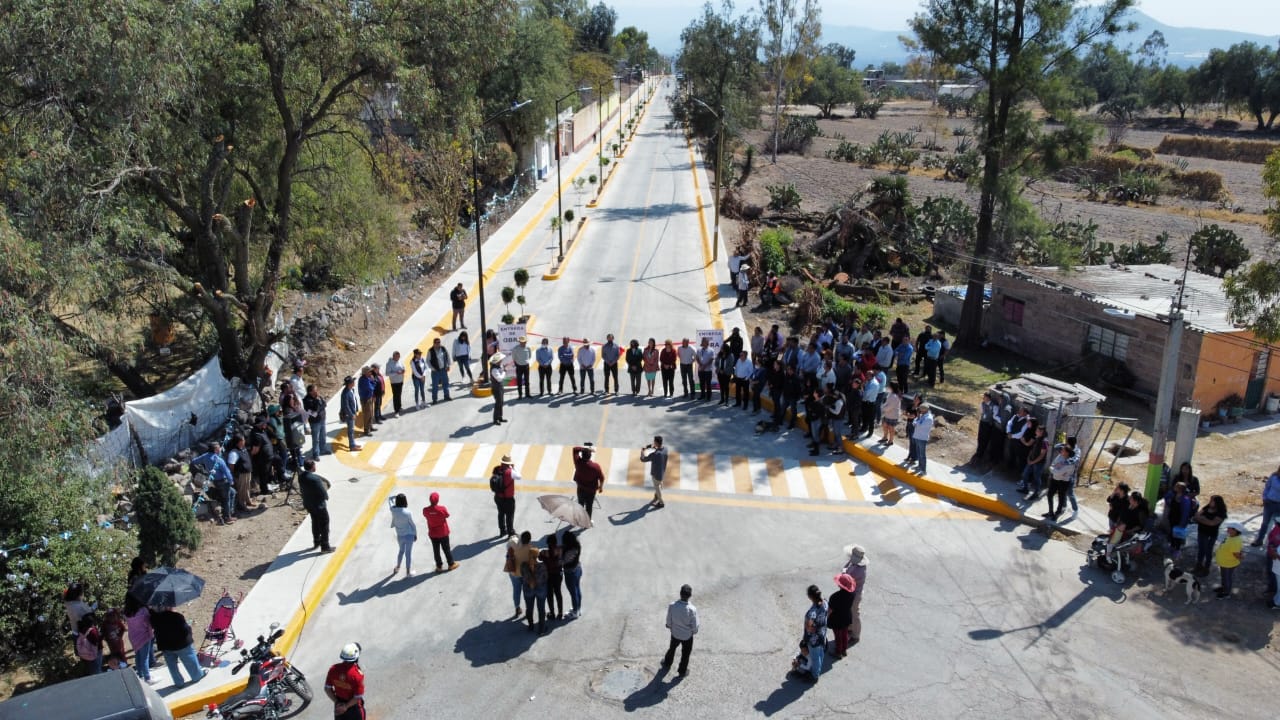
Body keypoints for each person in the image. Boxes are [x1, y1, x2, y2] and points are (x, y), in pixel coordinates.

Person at [151, 606, 205, 688]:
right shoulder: (176, 616)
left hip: (166, 646)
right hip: (181, 644)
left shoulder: (154, 619)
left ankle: (178, 682)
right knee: (190, 660)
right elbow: (185, 630)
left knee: (172, 666)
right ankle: (196, 676)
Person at [192, 441, 236, 524]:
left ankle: (227, 514)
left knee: (232, 493)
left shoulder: (205, 456)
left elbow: (194, 461)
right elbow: (226, 471)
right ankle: (227, 517)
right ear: (215, 449)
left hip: (214, 481)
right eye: (219, 447)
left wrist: (203, 470)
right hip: (223, 481)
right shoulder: (218, 460)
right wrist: (231, 480)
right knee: (226, 499)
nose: (220, 448)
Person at [661, 584, 699, 676]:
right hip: (687, 637)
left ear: (680, 594)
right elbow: (695, 626)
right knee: (685, 654)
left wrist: (669, 626)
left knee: (672, 648)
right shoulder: (692, 609)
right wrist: (693, 632)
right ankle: (682, 671)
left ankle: (667, 663)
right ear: (690, 596)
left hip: (675, 634)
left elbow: (668, 620)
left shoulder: (672, 605)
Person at [298, 459, 334, 553]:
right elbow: (322, 492)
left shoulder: (301, 476)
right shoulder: (315, 479)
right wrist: (326, 497)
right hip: (319, 505)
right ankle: (325, 546)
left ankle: (316, 541)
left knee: (315, 522)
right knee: (324, 523)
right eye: (314, 465)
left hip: (309, 504)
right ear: (312, 467)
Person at [325, 643, 366, 720]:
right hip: (354, 707)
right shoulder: (357, 675)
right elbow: (358, 697)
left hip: (339, 705)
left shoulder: (333, 669)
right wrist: (346, 706)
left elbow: (327, 689)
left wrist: (337, 702)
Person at [123, 594, 155, 684]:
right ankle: (147, 677)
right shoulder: (143, 611)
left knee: (138, 656)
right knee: (145, 657)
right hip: (144, 636)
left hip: (133, 637)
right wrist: (151, 634)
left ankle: (140, 674)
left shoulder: (126, 612)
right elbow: (148, 623)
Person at [423, 492, 459, 572]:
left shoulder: (425, 510)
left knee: (436, 550)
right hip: (443, 532)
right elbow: (447, 515)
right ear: (437, 500)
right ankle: (451, 564)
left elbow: (425, 515)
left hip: (433, 533)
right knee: (446, 549)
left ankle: (439, 566)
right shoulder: (442, 509)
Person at [1193, 495, 1227, 576]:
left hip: (1210, 535)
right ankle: (1199, 565)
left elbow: (1212, 523)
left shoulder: (1221, 513)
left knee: (1208, 551)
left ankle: (1206, 568)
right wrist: (1204, 519)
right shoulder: (1207, 507)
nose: (1210, 502)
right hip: (1201, 532)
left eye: (1212, 501)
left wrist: (1202, 519)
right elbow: (1196, 516)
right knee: (1201, 550)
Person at [800, 585, 828, 682]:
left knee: (815, 657)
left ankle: (815, 675)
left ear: (810, 597)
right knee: (821, 653)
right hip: (822, 634)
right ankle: (818, 669)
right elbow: (829, 612)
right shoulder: (825, 602)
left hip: (814, 639)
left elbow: (810, 627)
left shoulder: (812, 612)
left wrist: (806, 636)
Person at [841, 545, 868, 646]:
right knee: (851, 612)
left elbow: (846, 576)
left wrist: (844, 571)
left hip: (854, 595)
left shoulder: (858, 570)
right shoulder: (857, 565)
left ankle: (855, 635)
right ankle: (851, 628)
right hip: (854, 593)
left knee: (855, 614)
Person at [1044, 444, 1077, 521]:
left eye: (1063, 450)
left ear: (1067, 453)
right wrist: (1054, 468)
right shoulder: (1060, 456)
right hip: (1055, 480)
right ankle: (1050, 512)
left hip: (1063, 482)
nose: (1061, 451)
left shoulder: (1070, 463)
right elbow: (1053, 465)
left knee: (1061, 497)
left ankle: (1057, 513)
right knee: (1049, 495)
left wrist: (1053, 469)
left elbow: (1057, 471)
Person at [828, 574, 856, 660]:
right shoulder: (852, 594)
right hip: (846, 617)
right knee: (844, 633)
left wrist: (826, 617)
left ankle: (838, 652)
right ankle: (844, 650)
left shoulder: (835, 596)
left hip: (837, 619)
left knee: (838, 636)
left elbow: (830, 610)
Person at [522, 547, 549, 635]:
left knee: (529, 608)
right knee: (541, 609)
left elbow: (523, 576)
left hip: (528, 590)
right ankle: (542, 629)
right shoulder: (542, 565)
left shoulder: (524, 565)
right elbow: (546, 577)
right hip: (541, 589)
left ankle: (531, 626)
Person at [1214, 521, 1245, 599]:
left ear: (1235, 530)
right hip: (1224, 562)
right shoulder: (1231, 536)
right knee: (1224, 576)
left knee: (1227, 578)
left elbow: (1237, 554)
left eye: (1229, 529)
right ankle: (1224, 588)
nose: (1227, 530)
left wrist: (1241, 557)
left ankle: (1226, 593)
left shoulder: (1235, 541)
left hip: (1228, 564)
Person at [573, 445, 604, 520]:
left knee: (580, 504)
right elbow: (602, 478)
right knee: (589, 506)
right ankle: (588, 521)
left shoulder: (577, 462)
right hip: (591, 490)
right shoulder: (595, 467)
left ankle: (579, 518)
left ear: (582, 455)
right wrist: (600, 487)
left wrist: (585, 449)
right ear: (590, 457)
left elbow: (575, 449)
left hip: (580, 488)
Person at [1163, 481, 1193, 560]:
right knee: (1172, 533)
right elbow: (1166, 498)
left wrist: (1182, 523)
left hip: (1179, 519)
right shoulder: (1173, 495)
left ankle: (1177, 550)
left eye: (1176, 486)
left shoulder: (1185, 499)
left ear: (1180, 489)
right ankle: (1172, 546)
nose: (1174, 487)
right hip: (1172, 517)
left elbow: (1185, 512)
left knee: (1178, 535)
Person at [389, 494, 417, 576]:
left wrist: (395, 497)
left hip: (400, 535)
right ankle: (408, 572)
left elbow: (389, 499)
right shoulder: (408, 512)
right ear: (405, 501)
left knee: (401, 551)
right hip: (409, 535)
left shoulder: (393, 510)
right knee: (408, 553)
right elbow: (413, 525)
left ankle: (397, 567)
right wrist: (415, 534)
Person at [1252, 464, 1280, 547]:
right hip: (1269, 503)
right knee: (1265, 523)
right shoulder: (1274, 476)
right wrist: (1264, 497)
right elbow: (1267, 487)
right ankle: (1259, 540)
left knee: (1277, 525)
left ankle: (1275, 543)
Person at [493, 455, 517, 537]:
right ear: (509, 463)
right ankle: (510, 532)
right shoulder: (511, 472)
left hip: (498, 497)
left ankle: (502, 530)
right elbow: (519, 476)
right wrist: (513, 468)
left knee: (501, 513)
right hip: (508, 498)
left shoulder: (496, 469)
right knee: (510, 515)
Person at [640, 435, 668, 508]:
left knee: (657, 487)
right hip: (662, 471)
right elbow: (657, 448)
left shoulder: (655, 455)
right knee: (659, 483)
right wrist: (650, 447)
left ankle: (661, 502)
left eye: (654, 442)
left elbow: (643, 459)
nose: (653, 443)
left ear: (656, 442)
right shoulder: (665, 449)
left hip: (656, 474)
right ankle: (656, 496)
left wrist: (642, 451)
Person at [561, 531, 584, 618]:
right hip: (578, 568)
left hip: (570, 573)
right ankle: (578, 608)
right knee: (577, 589)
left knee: (573, 592)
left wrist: (559, 555)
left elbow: (562, 562)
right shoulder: (577, 545)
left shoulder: (569, 551)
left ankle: (575, 612)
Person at [303, 384, 329, 459]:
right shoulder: (307, 400)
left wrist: (319, 406)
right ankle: (316, 453)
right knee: (316, 439)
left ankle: (323, 449)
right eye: (315, 390)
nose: (317, 392)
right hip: (315, 422)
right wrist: (317, 402)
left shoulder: (318, 397)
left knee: (323, 436)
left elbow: (324, 404)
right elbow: (314, 412)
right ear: (310, 392)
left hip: (322, 419)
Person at [503, 534, 526, 618]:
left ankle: (517, 608)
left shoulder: (510, 550)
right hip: (524, 573)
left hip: (513, 574)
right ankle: (528, 609)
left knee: (516, 590)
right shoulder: (524, 549)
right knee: (526, 591)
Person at [545, 533, 564, 621]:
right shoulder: (560, 549)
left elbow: (540, 557)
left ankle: (552, 613)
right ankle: (560, 613)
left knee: (550, 594)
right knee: (558, 593)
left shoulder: (545, 553)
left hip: (549, 576)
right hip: (558, 575)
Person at [339, 376, 361, 452]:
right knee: (350, 430)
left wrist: (356, 409)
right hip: (349, 415)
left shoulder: (351, 390)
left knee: (352, 430)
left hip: (352, 412)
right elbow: (346, 406)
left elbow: (354, 400)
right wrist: (352, 415)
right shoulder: (345, 393)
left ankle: (353, 444)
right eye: (353, 382)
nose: (354, 383)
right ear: (350, 384)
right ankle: (352, 446)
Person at [427, 337, 452, 404]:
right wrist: (432, 368)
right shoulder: (430, 351)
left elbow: (448, 357)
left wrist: (448, 365)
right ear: (434, 343)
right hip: (435, 371)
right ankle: (434, 399)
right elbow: (428, 361)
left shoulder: (443, 349)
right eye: (437, 343)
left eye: (439, 342)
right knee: (435, 386)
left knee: (445, 383)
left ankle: (446, 396)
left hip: (443, 370)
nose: (438, 344)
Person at [356, 366, 377, 438]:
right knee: (367, 415)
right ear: (365, 373)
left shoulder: (367, 378)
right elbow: (371, 388)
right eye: (369, 371)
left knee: (371, 413)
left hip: (369, 398)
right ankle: (366, 430)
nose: (370, 373)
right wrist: (373, 381)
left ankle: (370, 427)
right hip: (366, 399)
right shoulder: (363, 380)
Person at [879, 381, 901, 446]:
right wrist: (883, 407)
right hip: (887, 414)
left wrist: (882, 408)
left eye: (889, 386)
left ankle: (890, 441)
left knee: (891, 429)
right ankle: (885, 437)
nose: (888, 387)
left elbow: (890, 406)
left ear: (892, 387)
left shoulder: (894, 396)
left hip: (893, 415)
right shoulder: (891, 394)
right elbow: (887, 403)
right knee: (884, 426)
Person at [385, 351, 406, 416]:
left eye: (399, 356)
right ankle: (396, 411)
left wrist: (403, 370)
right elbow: (387, 373)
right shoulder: (389, 363)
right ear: (393, 356)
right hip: (394, 382)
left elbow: (403, 367)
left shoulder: (400, 361)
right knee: (395, 396)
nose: (398, 358)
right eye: (397, 356)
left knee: (399, 395)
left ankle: (399, 407)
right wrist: (396, 373)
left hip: (400, 381)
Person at [695, 337, 716, 402]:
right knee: (702, 383)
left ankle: (709, 396)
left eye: (704, 341)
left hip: (708, 370)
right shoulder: (699, 350)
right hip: (700, 369)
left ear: (707, 343)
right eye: (702, 341)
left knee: (708, 383)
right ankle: (702, 395)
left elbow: (711, 359)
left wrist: (705, 366)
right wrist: (700, 365)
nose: (703, 343)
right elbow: (697, 358)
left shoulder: (711, 350)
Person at [489, 353, 507, 425]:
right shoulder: (494, 370)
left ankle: (500, 417)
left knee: (501, 402)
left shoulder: (499, 366)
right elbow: (499, 379)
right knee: (498, 403)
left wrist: (503, 369)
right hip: (496, 388)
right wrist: (504, 372)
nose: (501, 361)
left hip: (500, 387)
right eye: (500, 360)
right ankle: (495, 419)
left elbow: (501, 371)